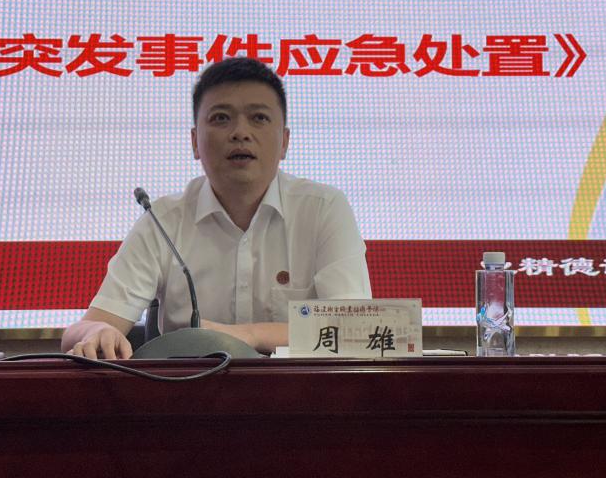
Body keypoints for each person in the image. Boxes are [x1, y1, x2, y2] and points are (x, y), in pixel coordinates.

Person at [61, 57, 372, 358]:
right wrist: (97, 332)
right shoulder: (163, 221)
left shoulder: (323, 209)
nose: (240, 133)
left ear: (285, 142)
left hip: (302, 390)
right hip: (188, 390)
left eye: (259, 118)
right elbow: (84, 328)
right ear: (195, 142)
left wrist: (247, 336)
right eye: (221, 118)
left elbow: (358, 329)